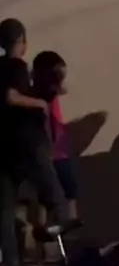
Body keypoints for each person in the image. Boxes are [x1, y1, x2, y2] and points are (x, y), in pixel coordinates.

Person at [0, 19, 68, 266]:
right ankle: (54, 250)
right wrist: (39, 104)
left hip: (5, 146)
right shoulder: (17, 66)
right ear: (21, 41)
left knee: (5, 209)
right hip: (27, 143)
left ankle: (10, 262)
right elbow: (11, 96)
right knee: (56, 199)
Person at [32, 51, 78, 223]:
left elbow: (63, 88)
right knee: (60, 197)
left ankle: (64, 230)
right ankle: (60, 232)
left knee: (59, 196)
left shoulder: (42, 95)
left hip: (54, 153)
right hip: (53, 154)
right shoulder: (42, 98)